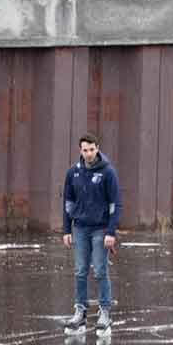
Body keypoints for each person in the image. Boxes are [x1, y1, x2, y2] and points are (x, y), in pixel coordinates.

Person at [61, 134, 121, 331]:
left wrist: (111, 232)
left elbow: (115, 204)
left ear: (97, 148)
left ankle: (104, 312)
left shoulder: (107, 172)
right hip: (79, 228)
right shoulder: (73, 173)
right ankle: (80, 312)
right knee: (80, 271)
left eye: (92, 149)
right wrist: (66, 229)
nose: (88, 153)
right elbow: (68, 203)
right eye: (85, 150)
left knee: (100, 270)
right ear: (80, 151)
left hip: (100, 228)